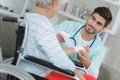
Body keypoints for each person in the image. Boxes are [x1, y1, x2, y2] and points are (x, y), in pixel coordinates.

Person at [17, 0, 86, 80]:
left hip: (24, 67)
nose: (58, 10)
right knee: (88, 78)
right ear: (54, 2)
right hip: (36, 72)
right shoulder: (43, 24)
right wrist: (76, 73)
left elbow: (35, 45)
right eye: (60, 6)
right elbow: (58, 57)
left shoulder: (28, 17)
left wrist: (54, 40)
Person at [54, 6, 112, 78]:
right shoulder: (67, 25)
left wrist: (88, 63)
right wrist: (55, 40)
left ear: (103, 28)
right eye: (93, 18)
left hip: (74, 77)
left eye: (99, 23)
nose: (93, 24)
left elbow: (94, 76)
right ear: (89, 17)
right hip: (54, 68)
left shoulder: (99, 49)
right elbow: (44, 43)